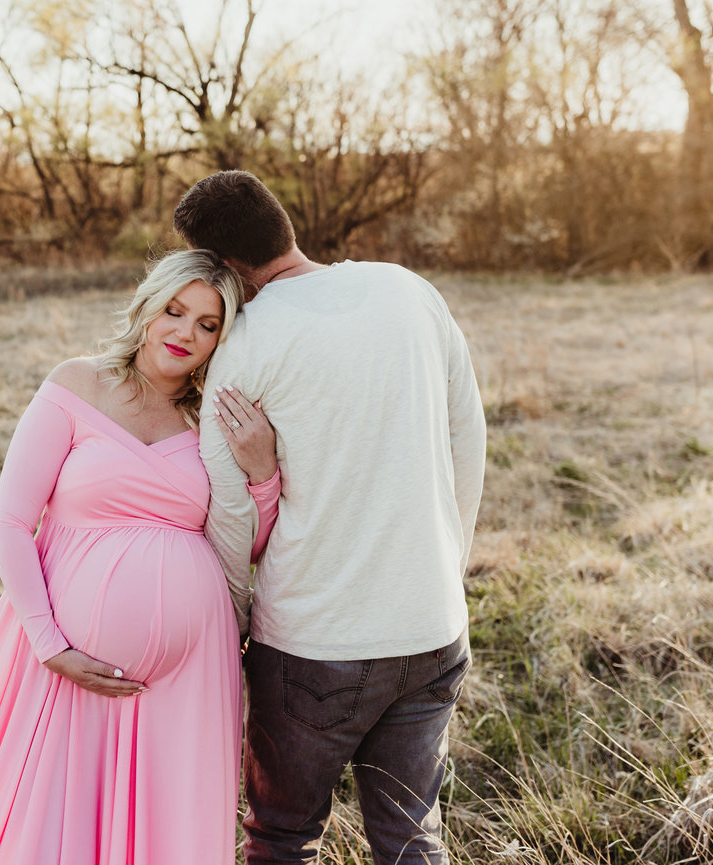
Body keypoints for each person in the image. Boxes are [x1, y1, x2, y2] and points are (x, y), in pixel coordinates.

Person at [0, 249, 282, 865]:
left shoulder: (209, 419)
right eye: (175, 311)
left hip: (188, 676)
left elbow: (247, 544)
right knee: (44, 818)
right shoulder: (79, 384)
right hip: (63, 661)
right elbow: (11, 521)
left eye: (207, 324)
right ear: (147, 308)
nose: (185, 333)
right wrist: (51, 645)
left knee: (166, 825)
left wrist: (262, 473)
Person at [176, 170, 487, 865]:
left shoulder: (244, 345)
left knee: (283, 838)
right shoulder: (410, 290)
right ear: (283, 223)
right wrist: (445, 565)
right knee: (411, 837)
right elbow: (468, 439)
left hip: (314, 645)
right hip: (432, 626)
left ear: (225, 266)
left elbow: (228, 513)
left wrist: (231, 624)